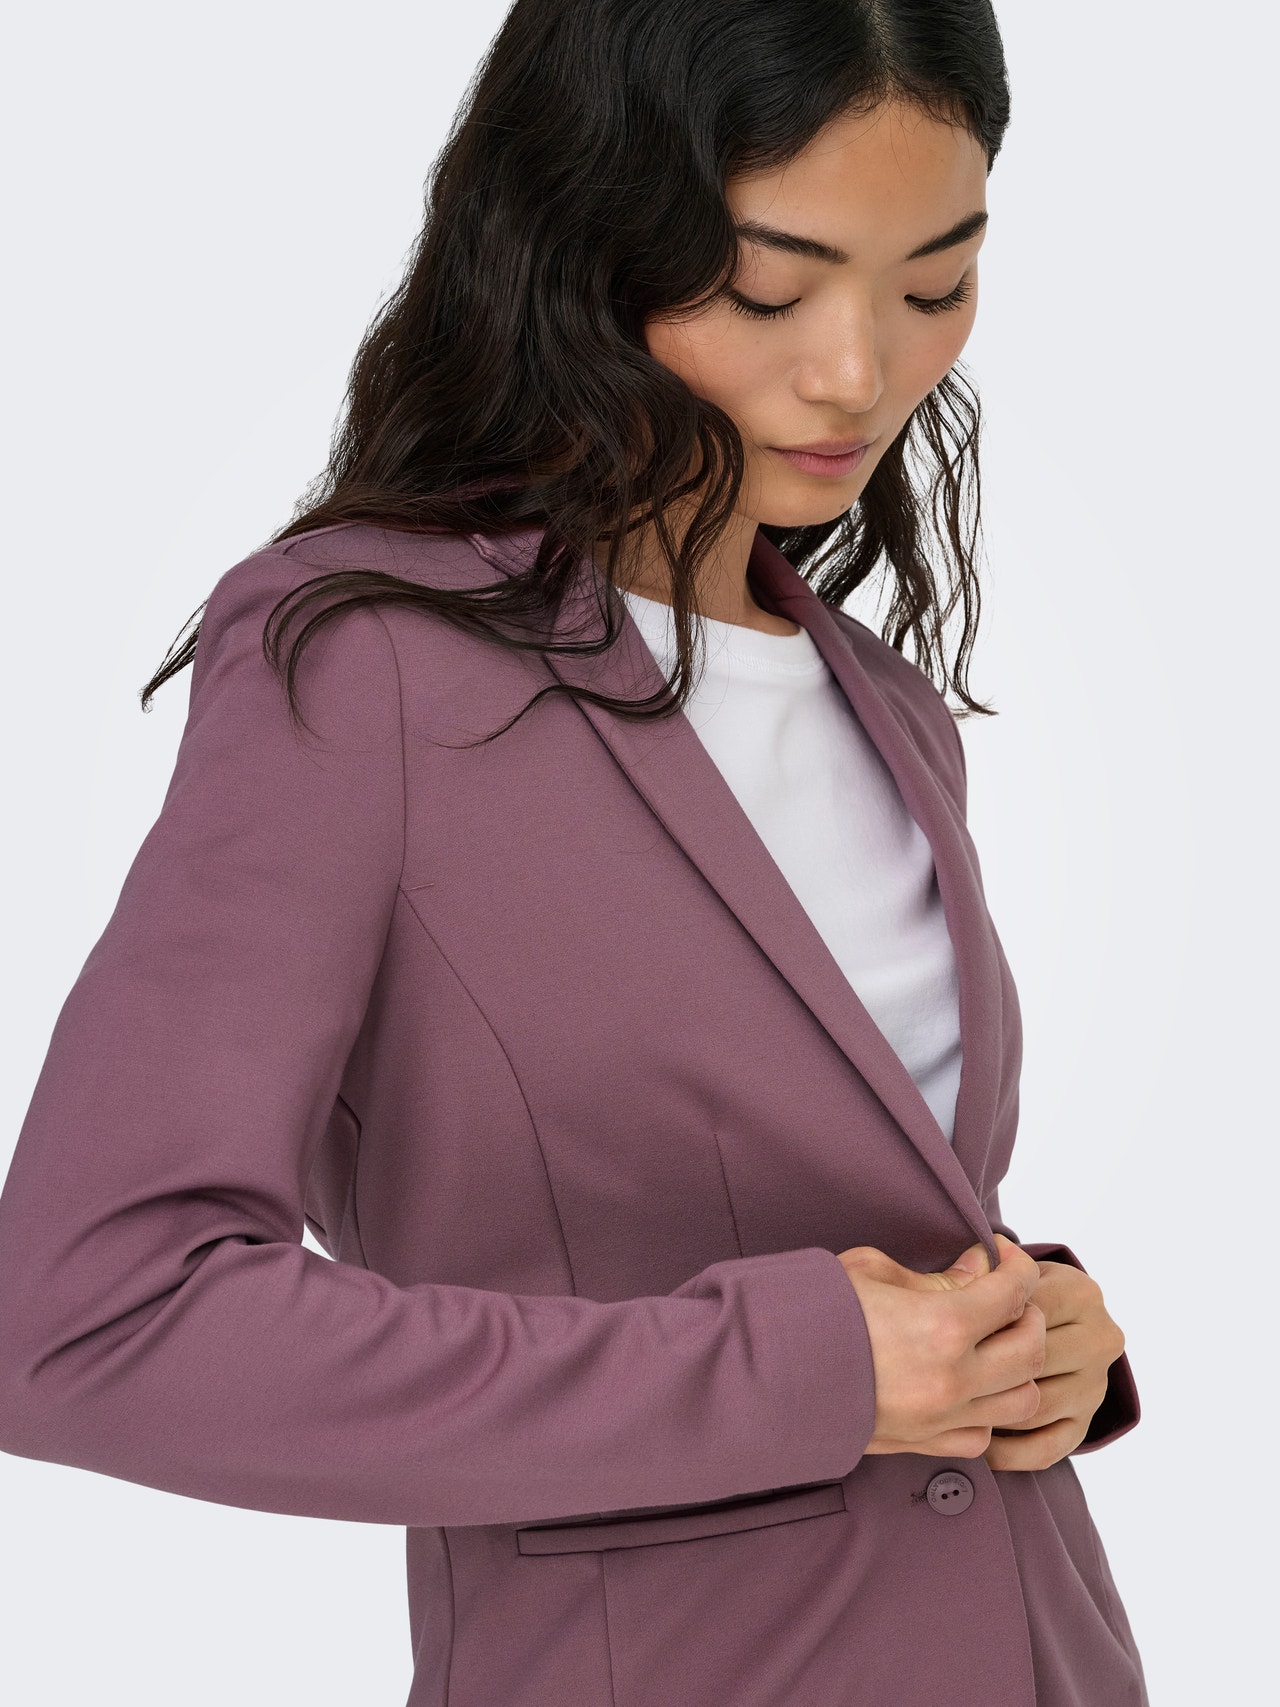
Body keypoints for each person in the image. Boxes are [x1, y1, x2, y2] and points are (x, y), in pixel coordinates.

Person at [0, 2, 1148, 1703]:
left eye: (936, 285)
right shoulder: (365, 668)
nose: (859, 373)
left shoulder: (890, 710)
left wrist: (1031, 1337)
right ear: (587, 235)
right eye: (769, 290)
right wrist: (797, 1371)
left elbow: (838, 1216)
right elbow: (90, 1319)